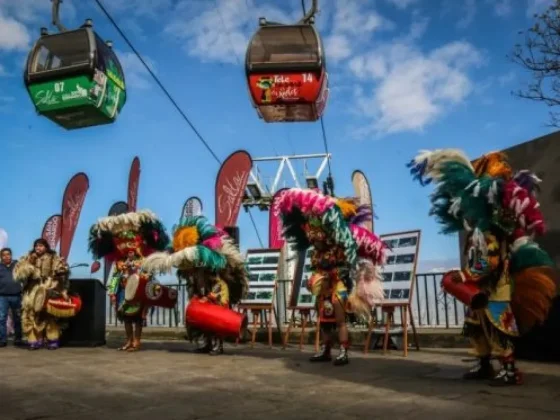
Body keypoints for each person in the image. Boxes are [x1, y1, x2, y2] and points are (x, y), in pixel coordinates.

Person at [408, 149, 557, 386]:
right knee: (476, 329)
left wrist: (464, 274)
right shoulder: (477, 232)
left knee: (498, 330)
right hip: (479, 292)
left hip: (496, 290)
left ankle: (508, 369)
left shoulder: (490, 233)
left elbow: (490, 261)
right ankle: (483, 363)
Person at [277, 188, 384, 366]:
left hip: (337, 287)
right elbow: (315, 268)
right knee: (324, 321)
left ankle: (343, 350)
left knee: (340, 320)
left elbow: (344, 267)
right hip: (324, 290)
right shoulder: (317, 253)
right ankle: (326, 349)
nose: (314, 239)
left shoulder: (339, 249)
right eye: (312, 236)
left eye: (317, 236)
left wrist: (330, 274)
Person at [143, 215, 249, 355]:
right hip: (202, 296)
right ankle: (206, 344)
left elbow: (218, 284)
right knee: (202, 324)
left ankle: (217, 345)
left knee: (215, 322)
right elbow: (193, 284)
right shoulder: (193, 273)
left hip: (216, 297)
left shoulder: (211, 267)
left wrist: (211, 296)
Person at [88, 209, 169, 352]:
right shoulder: (119, 262)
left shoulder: (144, 262)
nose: (129, 251)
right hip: (123, 292)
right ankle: (128, 341)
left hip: (138, 293)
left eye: (132, 248)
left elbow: (149, 277)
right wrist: (112, 291)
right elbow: (114, 277)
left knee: (138, 319)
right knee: (125, 318)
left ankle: (137, 341)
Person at [13, 239, 70, 350]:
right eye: (36, 246)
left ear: (46, 247)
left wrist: (62, 270)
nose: (38, 248)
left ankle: (52, 339)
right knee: (30, 314)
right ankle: (34, 340)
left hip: (49, 287)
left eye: (40, 246)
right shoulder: (28, 257)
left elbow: (62, 273)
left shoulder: (53, 257)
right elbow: (18, 273)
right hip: (31, 290)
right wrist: (28, 267)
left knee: (50, 315)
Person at [0, 248, 23, 347]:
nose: (6, 256)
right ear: (1, 257)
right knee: (1, 318)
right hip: (2, 297)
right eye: (3, 255)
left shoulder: (17, 265)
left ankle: (18, 339)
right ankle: (2, 339)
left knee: (17, 318)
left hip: (16, 296)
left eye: (8, 254)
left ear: (11, 255)